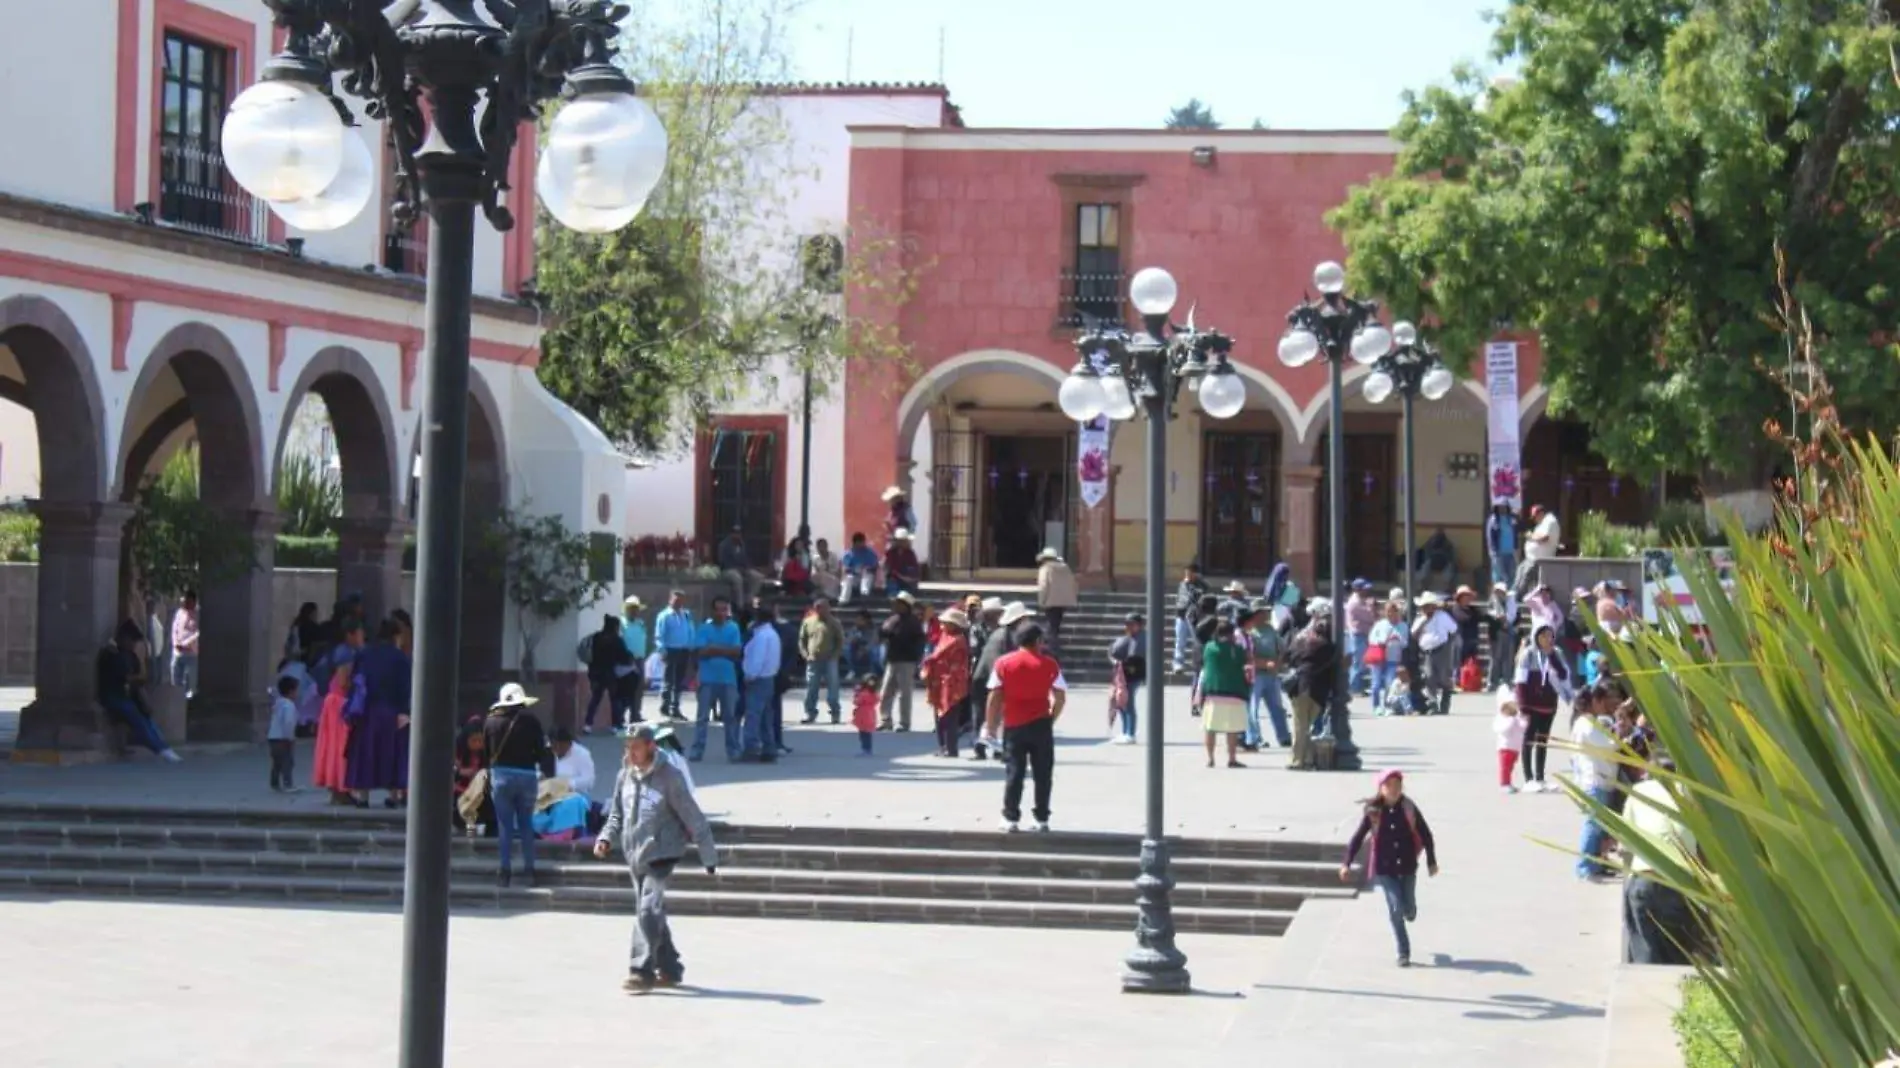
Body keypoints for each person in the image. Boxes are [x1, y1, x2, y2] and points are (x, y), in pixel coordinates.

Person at [593, 723, 719, 994]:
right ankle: (671, 969)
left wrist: (708, 855)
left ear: (651, 746)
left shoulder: (669, 777)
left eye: (636, 747)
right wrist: (605, 838)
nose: (632, 752)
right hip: (634, 852)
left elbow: (692, 815)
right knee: (651, 914)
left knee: (648, 910)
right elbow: (616, 814)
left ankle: (641, 972)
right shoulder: (623, 775)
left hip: (663, 853)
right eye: (628, 747)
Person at [1340, 769, 1440, 967]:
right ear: (1381, 788)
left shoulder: (1409, 808)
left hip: (1408, 865)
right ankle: (1403, 951)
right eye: (1389, 786)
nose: (1394, 790)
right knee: (1395, 907)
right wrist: (1346, 863)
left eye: (1397, 785)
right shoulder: (1373, 812)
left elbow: (1426, 834)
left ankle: (1410, 911)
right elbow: (1358, 838)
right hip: (1385, 869)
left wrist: (1431, 861)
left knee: (1408, 910)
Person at [985, 622, 1066, 833]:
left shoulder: (1003, 663)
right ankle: (1041, 818)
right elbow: (1060, 695)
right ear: (1038, 641)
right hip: (1041, 724)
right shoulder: (1049, 664)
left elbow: (994, 696)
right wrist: (1051, 717)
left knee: (1015, 772)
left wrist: (991, 725)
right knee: (1043, 773)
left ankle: (1010, 817)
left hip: (1014, 724)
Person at [1622, 758, 1705, 964]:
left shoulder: (1639, 790)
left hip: (1646, 878)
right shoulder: (1688, 793)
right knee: (1679, 952)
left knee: (1645, 949)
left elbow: (1626, 845)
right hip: (1683, 880)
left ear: (1648, 774)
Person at [484, 682, 555, 887]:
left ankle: (504, 871)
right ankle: (529, 870)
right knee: (526, 825)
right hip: (526, 777)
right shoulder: (532, 722)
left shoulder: (491, 722)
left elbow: (488, 755)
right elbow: (541, 752)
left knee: (505, 826)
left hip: (501, 777)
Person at [345, 619, 412, 809]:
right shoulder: (400, 658)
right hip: (391, 711)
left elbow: (355, 682)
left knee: (366, 753)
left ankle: (363, 795)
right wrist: (404, 711)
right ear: (395, 636)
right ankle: (393, 795)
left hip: (366, 711)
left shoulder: (364, 654)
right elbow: (405, 687)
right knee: (392, 753)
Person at [94, 620, 179, 762]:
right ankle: (159, 748)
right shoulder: (110, 654)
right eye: (131, 640)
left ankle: (164, 747)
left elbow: (139, 676)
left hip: (127, 696)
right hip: (112, 696)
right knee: (134, 714)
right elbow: (121, 677)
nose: (133, 644)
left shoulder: (130, 655)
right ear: (123, 638)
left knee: (146, 716)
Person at [1513, 624, 1573, 792]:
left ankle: (1540, 777)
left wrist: (1552, 656)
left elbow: (1563, 675)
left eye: (1551, 636)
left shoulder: (1557, 653)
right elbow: (1520, 681)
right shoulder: (1529, 654)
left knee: (1543, 741)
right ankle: (1528, 778)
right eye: (1544, 636)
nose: (1548, 639)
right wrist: (1523, 706)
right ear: (1536, 637)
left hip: (1549, 704)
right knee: (1529, 739)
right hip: (1531, 705)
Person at [1569, 691, 1620, 880]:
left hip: (1601, 779)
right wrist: (1620, 735)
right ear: (1594, 702)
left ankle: (1597, 863)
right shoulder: (1586, 723)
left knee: (1599, 826)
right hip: (1595, 780)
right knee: (1592, 824)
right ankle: (1584, 867)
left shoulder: (1589, 722)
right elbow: (1607, 745)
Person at [312, 624, 364, 801]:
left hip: (333, 702)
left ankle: (338, 789)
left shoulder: (341, 651)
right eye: (359, 633)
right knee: (341, 746)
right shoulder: (346, 653)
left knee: (334, 746)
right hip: (340, 703)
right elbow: (343, 682)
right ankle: (341, 786)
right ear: (350, 634)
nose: (362, 637)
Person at [687, 597, 743, 763]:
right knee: (702, 717)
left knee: (730, 717)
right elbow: (701, 652)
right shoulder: (704, 628)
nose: (721, 613)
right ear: (712, 611)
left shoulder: (733, 628)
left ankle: (733, 750)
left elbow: (736, 652)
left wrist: (713, 648)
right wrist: (724, 650)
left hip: (728, 679)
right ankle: (697, 750)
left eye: (724, 609)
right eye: (718, 609)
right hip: (707, 678)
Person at [1285, 612, 1337, 770]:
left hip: (1300, 687)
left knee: (1300, 726)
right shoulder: (1329, 647)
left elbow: (1290, 658)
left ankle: (1298, 760)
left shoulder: (1300, 642)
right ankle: (1307, 758)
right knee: (1306, 726)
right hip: (1318, 691)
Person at [971, 601, 1020, 760]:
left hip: (987, 676)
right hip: (989, 677)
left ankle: (986, 744)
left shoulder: (1001, 633)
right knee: (994, 713)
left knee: (990, 714)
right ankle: (993, 747)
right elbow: (1002, 661)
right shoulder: (1006, 635)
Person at [1199, 620, 1251, 769]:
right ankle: (1232, 758)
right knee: (1232, 729)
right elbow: (1246, 659)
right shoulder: (1237, 649)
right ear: (1231, 634)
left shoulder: (1209, 648)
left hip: (1213, 693)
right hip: (1234, 692)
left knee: (1211, 728)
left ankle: (1210, 759)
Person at [923, 608, 972, 758]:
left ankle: (951, 748)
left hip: (951, 682)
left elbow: (938, 655)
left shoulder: (958, 640)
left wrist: (927, 662)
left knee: (949, 716)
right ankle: (942, 746)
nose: (942, 626)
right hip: (939, 681)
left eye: (946, 623)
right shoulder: (945, 636)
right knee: (939, 716)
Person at [1244, 603, 1291, 749]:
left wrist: (1278, 662)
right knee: (1253, 708)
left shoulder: (1270, 630)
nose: (1266, 614)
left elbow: (1282, 649)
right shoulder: (1249, 633)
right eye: (1263, 612)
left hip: (1272, 674)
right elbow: (1246, 656)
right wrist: (1263, 664)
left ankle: (1284, 737)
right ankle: (1254, 737)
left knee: (1277, 707)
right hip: (1255, 675)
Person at [878, 591, 927, 731]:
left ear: (906, 606)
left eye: (899, 603)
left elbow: (920, 641)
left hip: (906, 661)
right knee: (886, 692)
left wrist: (916, 658)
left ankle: (904, 722)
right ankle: (885, 719)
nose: (896, 605)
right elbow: (883, 633)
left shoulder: (914, 622)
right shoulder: (892, 619)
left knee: (904, 694)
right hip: (892, 660)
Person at [740, 604, 782, 762]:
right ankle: (769, 748)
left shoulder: (762, 637)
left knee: (753, 715)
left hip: (758, 679)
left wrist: (750, 675)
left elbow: (757, 659)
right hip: (769, 678)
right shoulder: (772, 634)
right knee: (765, 716)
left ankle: (751, 748)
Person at [582, 614, 632, 736]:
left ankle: (588, 724)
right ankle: (616, 725)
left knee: (595, 699)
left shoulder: (596, 637)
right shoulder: (616, 639)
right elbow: (624, 657)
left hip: (595, 673)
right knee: (615, 700)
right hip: (611, 674)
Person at [1411, 592, 1459, 716]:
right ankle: (1433, 704)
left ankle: (1445, 700)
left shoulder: (1442, 616)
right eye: (1425, 606)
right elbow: (1414, 634)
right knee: (1429, 677)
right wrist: (1424, 622)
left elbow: (1453, 629)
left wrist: (1449, 644)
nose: (1427, 608)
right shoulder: (1420, 619)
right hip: (1427, 651)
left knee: (1444, 677)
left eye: (1429, 605)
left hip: (1442, 649)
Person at [799, 597, 845, 725]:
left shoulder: (834, 622)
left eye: (824, 607)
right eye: (818, 608)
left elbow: (840, 640)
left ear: (829, 608)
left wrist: (835, 655)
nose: (822, 610)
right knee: (811, 688)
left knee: (833, 688)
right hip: (813, 660)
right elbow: (802, 640)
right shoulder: (808, 622)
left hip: (830, 660)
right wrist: (805, 654)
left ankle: (835, 713)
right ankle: (810, 713)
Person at [652, 590, 696, 723]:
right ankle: (665, 707)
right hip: (670, 650)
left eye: (681, 600)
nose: (679, 603)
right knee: (668, 680)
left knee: (679, 681)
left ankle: (675, 707)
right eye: (676, 600)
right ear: (670, 600)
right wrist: (662, 650)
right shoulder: (664, 616)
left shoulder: (686, 615)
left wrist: (692, 646)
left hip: (684, 650)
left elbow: (691, 631)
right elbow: (659, 635)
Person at [1107, 612, 1146, 745]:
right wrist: (1114, 659)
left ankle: (1131, 733)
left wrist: (1122, 662)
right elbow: (1112, 650)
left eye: (1132, 624)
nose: (1128, 627)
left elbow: (1136, 657)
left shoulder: (1142, 638)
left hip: (1134, 675)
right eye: (1127, 624)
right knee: (1121, 702)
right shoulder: (1127, 638)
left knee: (1128, 703)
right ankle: (1125, 731)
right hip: (1123, 674)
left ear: (1139, 625)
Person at [1367, 599, 1408, 713]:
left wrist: (1398, 639)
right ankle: (1376, 706)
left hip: (1393, 658)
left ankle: (1387, 706)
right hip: (1379, 658)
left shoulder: (1403, 626)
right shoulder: (1380, 624)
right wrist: (1381, 641)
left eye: (1393, 611)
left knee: (1389, 683)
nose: (1391, 614)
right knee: (1376, 684)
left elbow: (1405, 643)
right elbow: (1371, 639)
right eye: (1388, 611)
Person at [1513, 504, 1562, 595]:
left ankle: (1516, 602)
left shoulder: (1550, 521)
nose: (1534, 520)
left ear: (1541, 513)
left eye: (1535, 517)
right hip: (1531, 558)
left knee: (1523, 583)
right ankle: (1516, 601)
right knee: (1519, 578)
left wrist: (1530, 535)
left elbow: (1544, 538)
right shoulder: (1542, 523)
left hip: (1538, 560)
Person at [1034, 548, 1078, 646]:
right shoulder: (1065, 568)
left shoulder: (1045, 569)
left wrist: (1041, 601)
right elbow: (1073, 584)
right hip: (1063, 601)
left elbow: (1043, 586)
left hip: (1050, 600)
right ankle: (1054, 642)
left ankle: (1051, 645)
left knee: (1051, 624)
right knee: (1056, 623)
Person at [1173, 562, 1209, 674]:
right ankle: (1178, 664)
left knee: (1197, 641)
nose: (1187, 574)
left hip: (1195, 617)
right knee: (1180, 641)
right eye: (1186, 572)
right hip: (1182, 615)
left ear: (1195, 573)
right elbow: (1181, 598)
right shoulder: (1183, 584)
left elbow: (1200, 596)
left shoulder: (1201, 585)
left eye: (1190, 572)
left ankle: (1200, 662)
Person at [1343, 579, 1376, 695]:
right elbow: (1370, 617)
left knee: (1361, 662)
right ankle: (1354, 687)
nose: (1367, 591)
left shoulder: (1361, 600)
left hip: (1362, 634)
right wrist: (1371, 607)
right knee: (1358, 662)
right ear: (1357, 589)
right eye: (1364, 589)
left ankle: (1358, 686)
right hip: (1358, 634)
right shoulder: (1355, 602)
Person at [267, 675, 299, 792]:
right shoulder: (289, 705)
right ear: (291, 691)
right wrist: (290, 737)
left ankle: (274, 782)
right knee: (287, 762)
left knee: (276, 762)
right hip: (283, 739)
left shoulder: (277, 703)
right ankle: (288, 784)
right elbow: (289, 722)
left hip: (272, 737)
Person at [1487, 582, 1519, 691]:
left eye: (1501, 592)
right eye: (1497, 591)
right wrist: (1498, 618)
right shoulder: (1492, 603)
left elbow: (1516, 618)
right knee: (1495, 659)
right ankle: (1492, 683)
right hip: (1496, 635)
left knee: (1508, 659)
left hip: (1509, 633)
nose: (1499, 594)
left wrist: (1508, 621)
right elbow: (1489, 617)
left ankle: (1507, 680)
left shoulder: (1511, 602)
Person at [550, 725, 597, 798]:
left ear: (568, 743)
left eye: (560, 746)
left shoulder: (582, 754)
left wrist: (567, 784)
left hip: (576, 796)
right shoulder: (547, 752)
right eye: (554, 745)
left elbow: (589, 781)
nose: (556, 749)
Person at [169, 589, 200, 700]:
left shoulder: (198, 615)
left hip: (191, 653)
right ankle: (177, 702)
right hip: (177, 653)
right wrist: (176, 643)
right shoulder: (179, 613)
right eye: (184, 601)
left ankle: (189, 704)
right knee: (175, 679)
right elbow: (174, 629)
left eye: (188, 601)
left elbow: (198, 633)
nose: (185, 604)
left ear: (194, 602)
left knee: (190, 680)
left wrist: (186, 644)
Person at [1494, 690, 1527, 793]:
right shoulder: (1502, 718)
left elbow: (1522, 728)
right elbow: (1502, 730)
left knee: (1511, 767)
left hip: (1515, 747)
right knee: (1505, 767)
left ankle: (1509, 782)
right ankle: (1504, 784)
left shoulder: (1516, 718)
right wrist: (1511, 722)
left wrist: (1524, 720)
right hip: (1505, 747)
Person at [716, 526, 756, 609]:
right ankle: (739, 605)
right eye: (735, 533)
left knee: (757, 576)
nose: (737, 536)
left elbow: (746, 560)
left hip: (740, 570)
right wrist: (736, 568)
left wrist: (747, 568)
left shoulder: (742, 545)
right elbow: (723, 562)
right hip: (727, 570)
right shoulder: (724, 545)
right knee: (737, 578)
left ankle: (748, 600)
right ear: (731, 534)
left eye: (739, 533)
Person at [839, 533, 879, 604]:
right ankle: (844, 600)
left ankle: (864, 594)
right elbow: (845, 569)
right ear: (855, 543)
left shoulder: (870, 552)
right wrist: (854, 570)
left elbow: (875, 566)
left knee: (867, 575)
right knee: (849, 578)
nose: (862, 544)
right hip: (854, 577)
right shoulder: (848, 554)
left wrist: (867, 568)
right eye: (859, 542)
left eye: (862, 542)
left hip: (867, 577)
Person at [1486, 500, 1519, 588]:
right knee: (1499, 576)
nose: (1502, 508)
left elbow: (1515, 535)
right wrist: (1493, 552)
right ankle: (1497, 598)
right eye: (1500, 507)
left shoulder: (1512, 519)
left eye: (1504, 507)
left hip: (1511, 553)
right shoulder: (1493, 520)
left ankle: (1510, 597)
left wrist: (1516, 550)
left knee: (1511, 576)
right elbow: (1490, 537)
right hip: (1498, 553)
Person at [843, 607, 880, 682]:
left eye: (860, 620)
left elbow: (873, 642)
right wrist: (853, 640)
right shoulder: (855, 629)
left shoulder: (873, 629)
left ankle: (873, 672)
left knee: (875, 651)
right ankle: (853, 670)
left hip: (869, 650)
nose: (857, 621)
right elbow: (847, 640)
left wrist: (864, 650)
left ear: (866, 620)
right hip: (857, 650)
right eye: (856, 619)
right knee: (846, 649)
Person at [880, 485, 919, 550]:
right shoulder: (892, 512)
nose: (890, 502)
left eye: (891, 499)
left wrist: (909, 537)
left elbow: (913, 522)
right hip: (893, 540)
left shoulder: (906, 509)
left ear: (897, 499)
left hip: (903, 541)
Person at [884, 528, 922, 595]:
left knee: (908, 593)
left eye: (903, 541)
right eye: (900, 541)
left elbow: (915, 568)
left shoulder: (910, 553)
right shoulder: (891, 553)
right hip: (894, 579)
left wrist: (911, 578)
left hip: (909, 580)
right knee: (893, 591)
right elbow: (890, 568)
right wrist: (901, 577)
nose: (902, 543)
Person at [851, 675, 878, 756]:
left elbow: (856, 702)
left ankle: (865, 749)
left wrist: (856, 694)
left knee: (863, 734)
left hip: (863, 714)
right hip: (870, 713)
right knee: (868, 733)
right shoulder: (874, 693)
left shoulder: (863, 694)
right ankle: (868, 749)